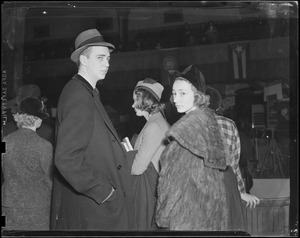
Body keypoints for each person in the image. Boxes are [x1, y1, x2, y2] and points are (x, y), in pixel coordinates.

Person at [50, 29, 136, 230]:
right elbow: (67, 158)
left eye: (108, 58)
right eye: (100, 58)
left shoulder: (85, 92)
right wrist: (105, 191)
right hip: (95, 207)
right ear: (84, 59)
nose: (107, 63)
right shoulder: (79, 96)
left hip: (95, 208)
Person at [155, 65, 229, 230]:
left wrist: (162, 217)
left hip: (186, 219)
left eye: (182, 93)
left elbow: (173, 185)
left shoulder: (185, 133)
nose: (175, 99)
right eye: (174, 93)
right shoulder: (209, 123)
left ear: (197, 95)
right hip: (210, 217)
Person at [2, 97, 53, 230]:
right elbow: (49, 180)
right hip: (38, 207)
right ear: (38, 120)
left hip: (9, 204)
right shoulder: (45, 146)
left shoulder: (5, 141)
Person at [206, 87, 260, 211]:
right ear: (218, 105)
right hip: (224, 186)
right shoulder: (229, 125)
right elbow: (233, 165)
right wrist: (241, 192)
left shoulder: (190, 124)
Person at [130, 78, 170, 230]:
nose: (132, 105)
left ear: (147, 101)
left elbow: (137, 168)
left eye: (136, 100)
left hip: (149, 195)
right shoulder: (156, 123)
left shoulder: (153, 126)